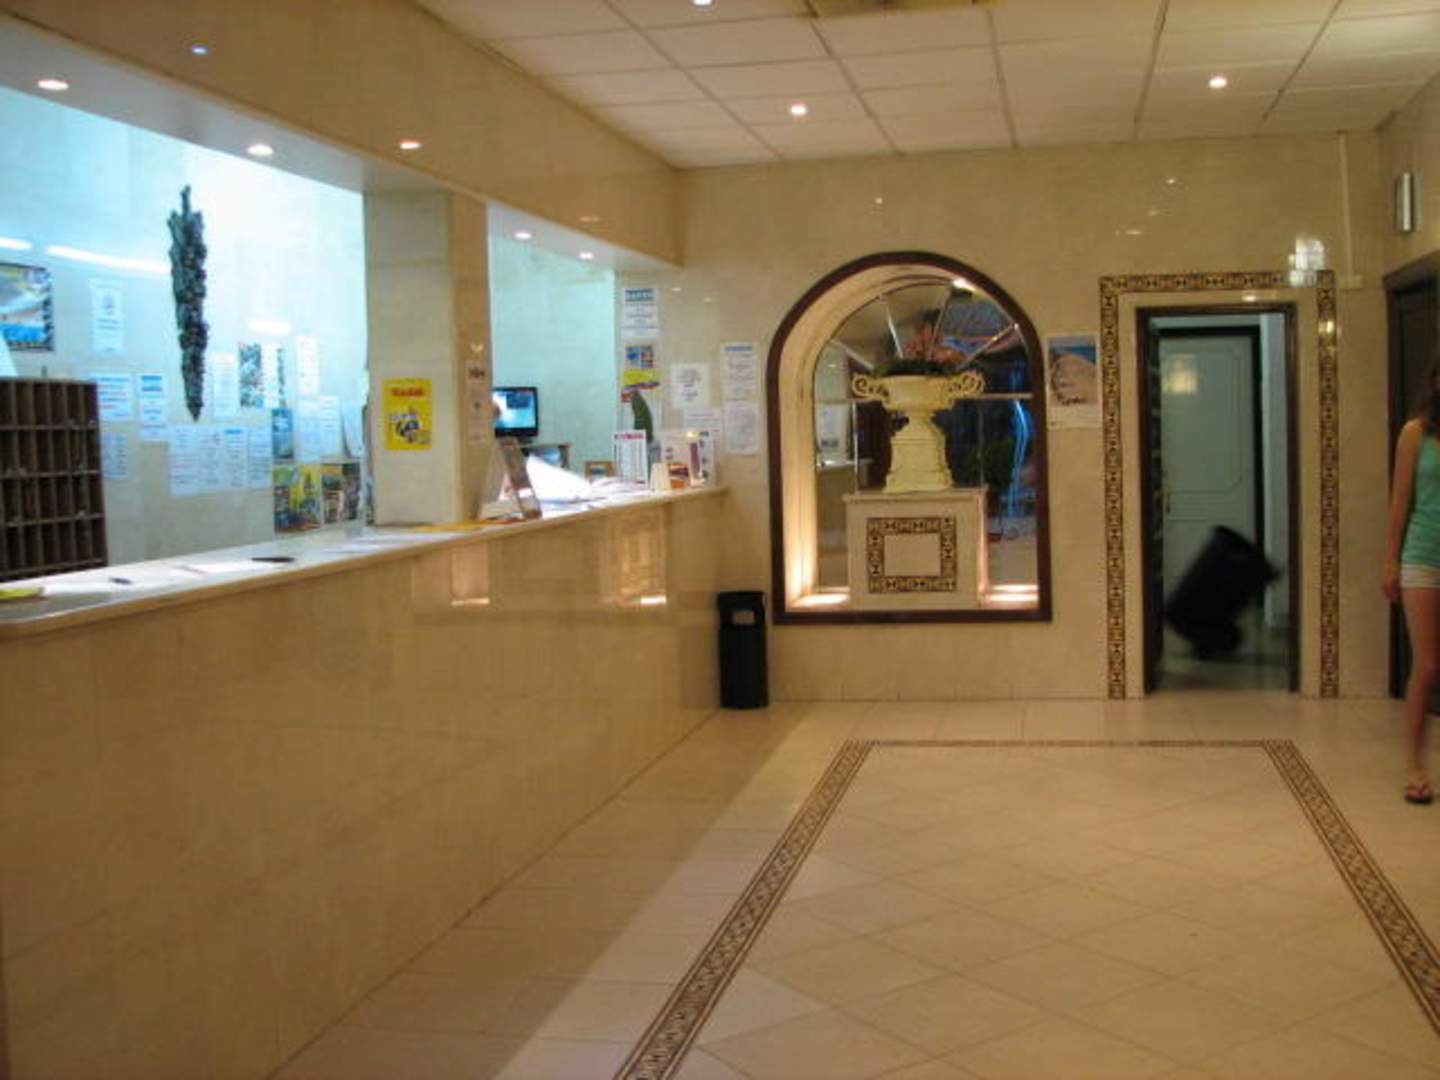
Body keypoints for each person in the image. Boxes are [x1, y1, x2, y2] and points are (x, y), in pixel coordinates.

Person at [1384, 380, 1440, 804]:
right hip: (1423, 557)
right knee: (1428, 665)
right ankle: (1415, 765)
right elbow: (1400, 502)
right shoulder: (1416, 432)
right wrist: (1391, 560)